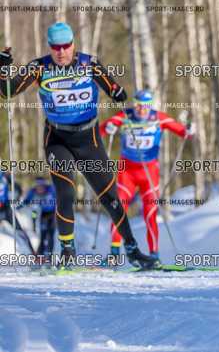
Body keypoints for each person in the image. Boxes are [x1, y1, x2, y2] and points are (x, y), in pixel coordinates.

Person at [0, 22, 158, 269]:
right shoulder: (39, 67)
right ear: (50, 47)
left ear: (73, 44)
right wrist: (2, 68)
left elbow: (115, 90)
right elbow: (8, 91)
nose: (61, 52)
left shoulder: (89, 64)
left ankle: (133, 251)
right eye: (56, 47)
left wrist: (118, 92)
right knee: (65, 194)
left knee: (110, 197)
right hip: (58, 140)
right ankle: (67, 253)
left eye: (66, 46)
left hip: (88, 140)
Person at [99, 90, 194, 261]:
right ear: (133, 104)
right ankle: (114, 254)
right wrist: (108, 128)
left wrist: (190, 129)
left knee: (150, 214)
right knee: (118, 209)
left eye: (146, 106)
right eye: (138, 105)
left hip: (149, 174)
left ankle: (154, 256)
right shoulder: (125, 116)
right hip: (126, 173)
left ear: (151, 106)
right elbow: (100, 131)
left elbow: (183, 132)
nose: (141, 110)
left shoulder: (159, 118)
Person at [21, 176, 57, 256]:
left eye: (41, 186)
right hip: (42, 214)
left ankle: (49, 254)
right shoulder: (33, 191)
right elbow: (26, 201)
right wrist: (18, 206)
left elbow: (59, 198)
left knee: (50, 234)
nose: (40, 188)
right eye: (38, 186)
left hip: (52, 214)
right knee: (43, 234)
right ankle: (40, 253)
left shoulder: (51, 190)